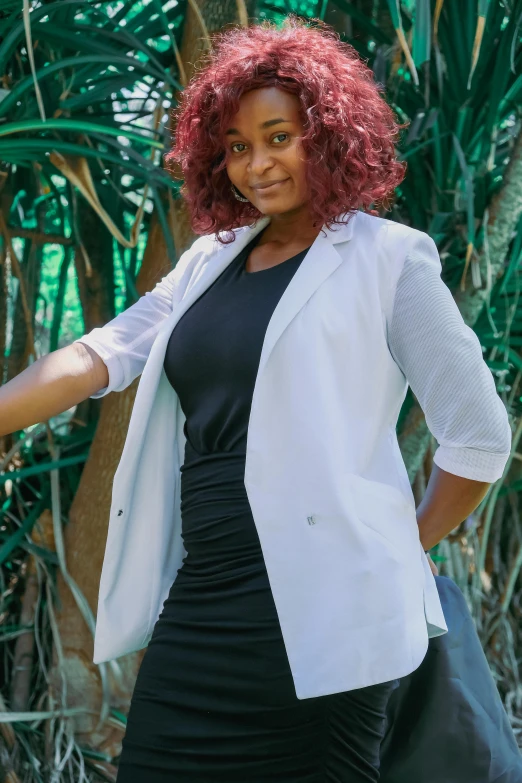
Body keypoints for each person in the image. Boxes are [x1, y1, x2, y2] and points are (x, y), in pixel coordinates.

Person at [0, 17, 512, 783]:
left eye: (279, 136)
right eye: (238, 146)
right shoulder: (210, 262)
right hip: (205, 595)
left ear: (330, 133)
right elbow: (95, 356)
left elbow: (477, 437)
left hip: (330, 614)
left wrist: (399, 551)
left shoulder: (389, 260)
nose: (257, 164)